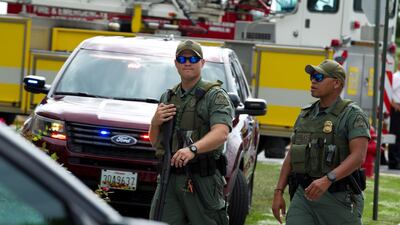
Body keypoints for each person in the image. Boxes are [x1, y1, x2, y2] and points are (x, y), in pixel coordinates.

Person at [271, 59, 370, 225]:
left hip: (339, 198)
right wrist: (279, 191)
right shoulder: (306, 115)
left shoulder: (352, 115)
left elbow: (358, 156)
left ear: (336, 83)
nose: (313, 81)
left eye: (319, 77)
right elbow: (292, 155)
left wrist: (327, 179)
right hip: (305, 196)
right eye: (311, 77)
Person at [148, 40, 234, 225]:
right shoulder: (168, 96)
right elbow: (156, 142)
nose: (188, 62)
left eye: (193, 58)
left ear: (202, 63)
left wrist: (192, 149)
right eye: (182, 58)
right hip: (169, 178)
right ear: (176, 63)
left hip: (202, 179)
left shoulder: (215, 95)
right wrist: (155, 122)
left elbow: (221, 133)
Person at [388, 68, 400, 169]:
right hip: (397, 108)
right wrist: (394, 104)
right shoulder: (396, 77)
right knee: (395, 135)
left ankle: (397, 160)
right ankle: (393, 161)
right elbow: (388, 91)